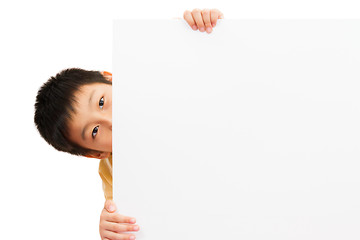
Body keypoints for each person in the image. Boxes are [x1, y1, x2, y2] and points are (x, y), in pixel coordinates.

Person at [34, 8, 224, 240]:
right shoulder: (116, 172)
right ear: (97, 153)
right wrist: (112, 227)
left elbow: (193, 60)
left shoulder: (158, 77)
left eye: (102, 102)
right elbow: (134, 219)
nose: (111, 121)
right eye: (95, 131)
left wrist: (193, 29)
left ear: (111, 78)